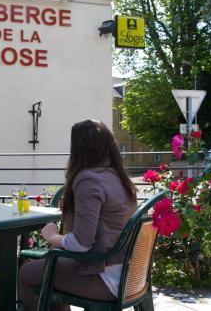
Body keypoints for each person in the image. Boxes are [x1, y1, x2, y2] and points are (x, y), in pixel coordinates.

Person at [18, 120, 138, 311]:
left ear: (79, 148)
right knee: (51, 265)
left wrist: (52, 237)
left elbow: (81, 245)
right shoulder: (117, 176)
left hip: (104, 279)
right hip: (130, 276)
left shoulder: (88, 179)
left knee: (27, 273)